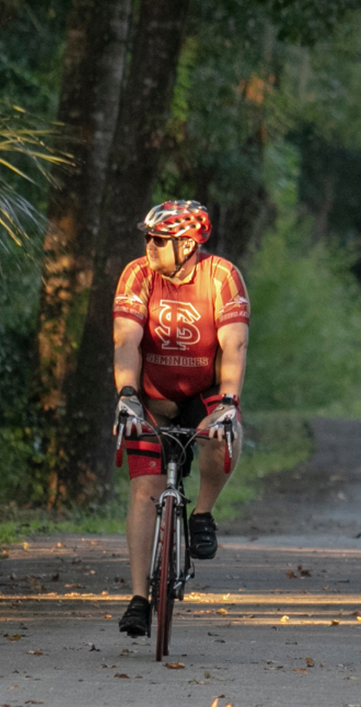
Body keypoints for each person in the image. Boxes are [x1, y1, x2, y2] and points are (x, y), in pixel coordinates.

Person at [111, 200, 250, 637]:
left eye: (159, 240)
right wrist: (127, 396)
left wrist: (228, 401)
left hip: (204, 391)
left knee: (221, 435)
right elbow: (126, 340)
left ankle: (203, 512)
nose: (148, 245)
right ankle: (138, 599)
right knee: (144, 490)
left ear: (187, 244)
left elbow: (234, 345)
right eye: (147, 237)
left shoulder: (221, 276)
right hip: (150, 394)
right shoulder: (138, 274)